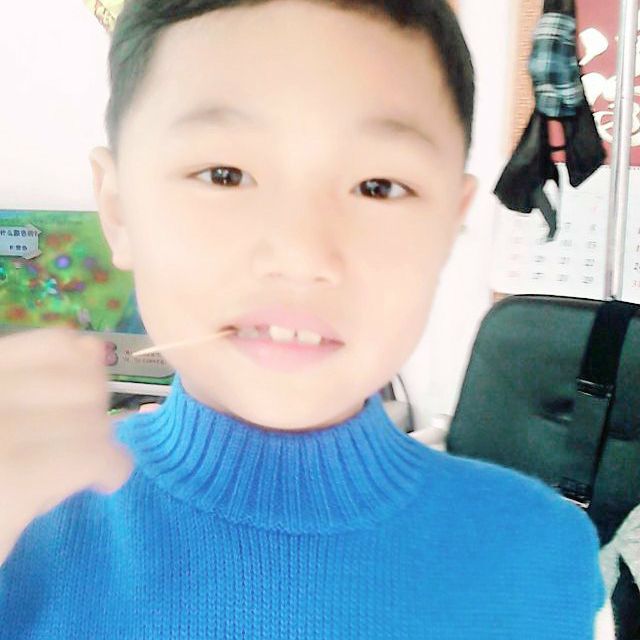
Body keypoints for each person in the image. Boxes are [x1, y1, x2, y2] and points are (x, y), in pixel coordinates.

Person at [0, 0, 616, 637]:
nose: (300, 256)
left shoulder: (542, 558)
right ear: (119, 209)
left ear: (449, 224)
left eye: (378, 186)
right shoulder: (22, 527)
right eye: (224, 175)